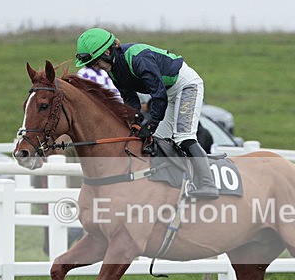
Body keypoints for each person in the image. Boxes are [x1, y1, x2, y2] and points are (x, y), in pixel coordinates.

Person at [74, 27, 218, 199]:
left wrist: (150, 124)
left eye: (96, 63)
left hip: (186, 86)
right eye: (92, 66)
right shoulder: (113, 70)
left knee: (184, 137)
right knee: (160, 142)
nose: (97, 68)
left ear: (107, 51)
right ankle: (177, 184)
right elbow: (130, 99)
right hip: (168, 92)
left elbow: (158, 96)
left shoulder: (138, 58)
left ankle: (208, 184)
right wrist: (134, 122)